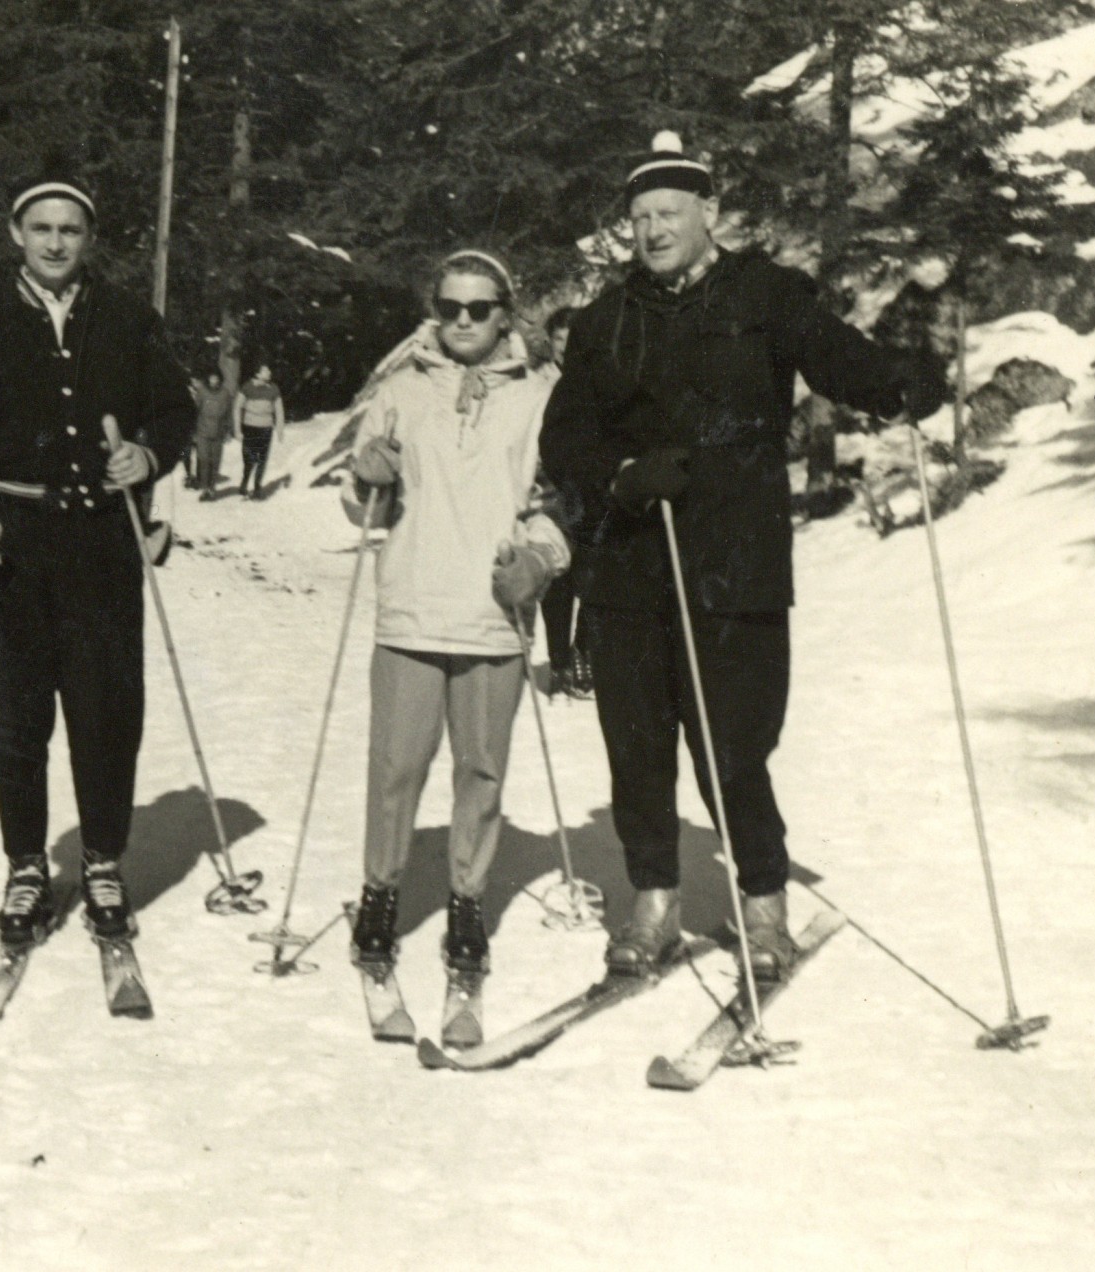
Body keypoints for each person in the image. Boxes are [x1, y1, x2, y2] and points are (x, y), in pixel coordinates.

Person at [539, 134, 945, 980]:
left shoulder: (767, 295)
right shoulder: (606, 320)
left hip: (736, 563)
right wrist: (618, 474)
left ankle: (762, 902)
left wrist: (898, 383)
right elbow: (563, 433)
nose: (653, 231)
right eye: (641, 217)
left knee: (734, 748)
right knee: (636, 747)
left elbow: (838, 357)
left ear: (709, 215)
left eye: (670, 214)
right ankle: (653, 902)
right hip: (631, 569)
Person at [0, 174, 193, 947]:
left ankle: (104, 860)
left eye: (69, 230)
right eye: (40, 228)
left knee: (106, 713)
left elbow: (174, 408)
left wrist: (147, 454)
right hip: (11, 544)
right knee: (15, 718)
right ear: (16, 234)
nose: (54, 243)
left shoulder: (126, 319)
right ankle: (26, 867)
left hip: (100, 543)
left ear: (89, 239)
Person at [345, 249, 570, 980]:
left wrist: (537, 561)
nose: (463, 321)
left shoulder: (541, 390)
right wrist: (366, 477)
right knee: (396, 766)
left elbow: (557, 502)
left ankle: (468, 899)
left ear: (506, 313)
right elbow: (361, 500)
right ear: (434, 311)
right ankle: (380, 891)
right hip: (411, 605)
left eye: (479, 308)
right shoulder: (403, 386)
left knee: (481, 768)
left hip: (493, 614)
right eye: (450, 308)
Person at [535, 306, 591, 700]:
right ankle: (558, 659)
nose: (568, 348)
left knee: (595, 570)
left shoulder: (597, 379)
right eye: (560, 340)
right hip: (552, 488)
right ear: (550, 342)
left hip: (591, 488)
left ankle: (585, 654)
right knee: (559, 576)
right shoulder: (538, 384)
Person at [233, 364, 284, 497]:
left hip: (266, 428)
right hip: (250, 427)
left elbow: (279, 410)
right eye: (266, 370)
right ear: (257, 373)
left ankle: (257, 487)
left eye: (269, 369)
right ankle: (245, 481)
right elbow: (237, 408)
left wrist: (280, 429)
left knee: (262, 458)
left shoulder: (273, 388)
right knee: (249, 458)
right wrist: (237, 430)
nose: (269, 372)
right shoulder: (247, 387)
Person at [193, 367, 236, 499]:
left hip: (218, 432)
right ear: (208, 379)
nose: (214, 380)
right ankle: (204, 489)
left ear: (220, 379)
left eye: (216, 378)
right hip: (203, 432)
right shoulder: (202, 392)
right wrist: (193, 430)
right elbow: (194, 411)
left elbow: (229, 414)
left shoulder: (225, 394)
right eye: (212, 377)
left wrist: (229, 431)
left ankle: (212, 488)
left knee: (215, 461)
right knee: (204, 460)